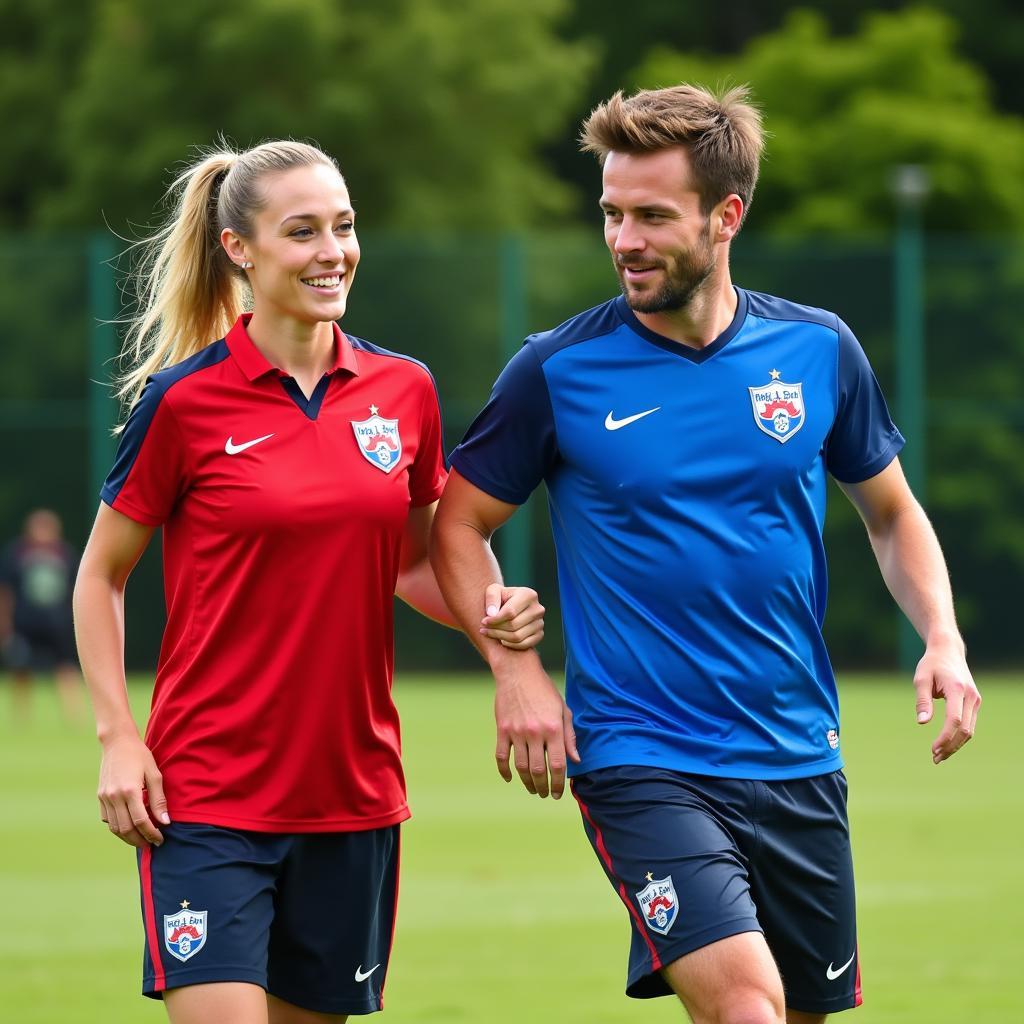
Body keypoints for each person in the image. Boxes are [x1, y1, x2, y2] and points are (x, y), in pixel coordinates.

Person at [429, 84, 981, 1024]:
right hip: (644, 755)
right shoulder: (555, 370)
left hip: (800, 752)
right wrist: (515, 670)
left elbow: (890, 514)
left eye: (652, 215)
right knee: (746, 1008)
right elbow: (455, 522)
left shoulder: (817, 351)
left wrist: (943, 634)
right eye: (611, 213)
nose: (624, 239)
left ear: (727, 215)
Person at [72, 140, 547, 1024]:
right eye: (303, 232)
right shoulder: (183, 403)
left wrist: (499, 628)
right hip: (207, 796)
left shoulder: (404, 391)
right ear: (239, 249)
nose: (333, 251)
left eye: (344, 227)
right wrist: (116, 737)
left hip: (352, 797)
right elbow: (99, 577)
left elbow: (412, 562)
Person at [0, 508, 85, 721]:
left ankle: (74, 714)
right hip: (24, 622)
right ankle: (21, 716)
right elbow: (6, 591)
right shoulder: (16, 554)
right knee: (20, 667)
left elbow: (77, 589)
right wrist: (5, 623)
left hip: (58, 623)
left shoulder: (66, 554)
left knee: (65, 666)